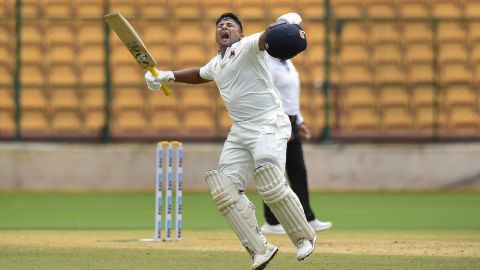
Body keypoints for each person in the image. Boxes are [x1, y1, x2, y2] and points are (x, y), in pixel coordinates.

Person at [145, 12, 316, 270]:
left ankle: (304, 236)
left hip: (268, 123)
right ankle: (260, 249)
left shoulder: (247, 47)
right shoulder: (217, 63)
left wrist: (285, 25)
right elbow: (200, 74)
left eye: (231, 25)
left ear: (240, 34)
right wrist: (167, 75)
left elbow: (268, 37)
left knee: (268, 179)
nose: (224, 27)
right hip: (240, 131)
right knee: (224, 189)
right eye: (220, 25)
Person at [261, 55, 333, 235]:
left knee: (298, 171)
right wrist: (282, 123)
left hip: (291, 121)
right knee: (273, 172)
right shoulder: (268, 63)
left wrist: (299, 122)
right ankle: (271, 220)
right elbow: (268, 96)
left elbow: (289, 97)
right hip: (277, 121)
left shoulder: (287, 63)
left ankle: (307, 217)